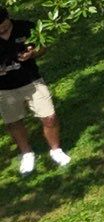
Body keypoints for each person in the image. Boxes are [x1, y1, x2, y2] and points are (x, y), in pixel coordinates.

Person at [0, 9, 68, 174]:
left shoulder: (26, 27)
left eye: (3, 26)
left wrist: (33, 54)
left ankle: (56, 150)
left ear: (8, 18)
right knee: (14, 122)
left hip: (32, 81)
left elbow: (43, 47)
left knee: (49, 117)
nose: (1, 30)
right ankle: (27, 153)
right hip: (4, 88)